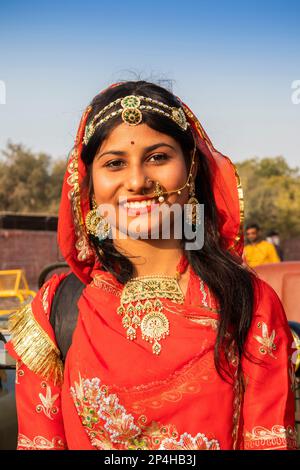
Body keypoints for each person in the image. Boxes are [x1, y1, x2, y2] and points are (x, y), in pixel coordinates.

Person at [5, 81, 297, 450]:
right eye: (114, 163)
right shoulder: (55, 311)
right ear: (89, 185)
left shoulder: (249, 303)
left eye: (158, 157)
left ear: (191, 169)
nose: (137, 181)